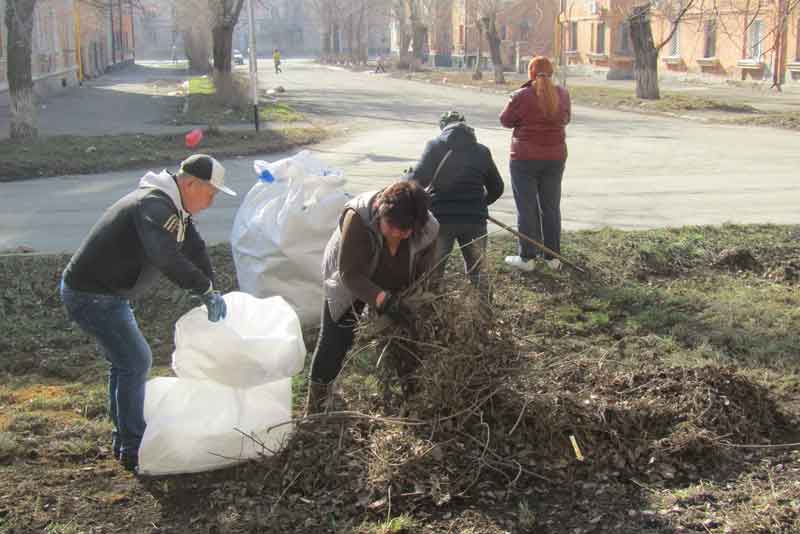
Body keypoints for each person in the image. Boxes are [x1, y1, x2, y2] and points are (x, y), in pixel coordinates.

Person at [59, 154, 236, 472]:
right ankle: (133, 446)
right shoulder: (154, 206)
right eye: (210, 194)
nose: (210, 203)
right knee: (136, 361)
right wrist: (202, 289)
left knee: (126, 363)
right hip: (91, 295)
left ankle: (125, 438)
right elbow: (165, 255)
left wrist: (211, 288)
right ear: (191, 184)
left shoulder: (175, 208)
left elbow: (194, 248)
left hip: (106, 293)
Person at [306, 181, 439, 414]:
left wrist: (410, 302)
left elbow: (423, 274)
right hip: (350, 278)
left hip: (395, 281)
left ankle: (413, 401)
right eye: (393, 227)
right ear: (380, 210)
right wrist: (383, 301)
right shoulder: (358, 217)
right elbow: (349, 274)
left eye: (407, 230)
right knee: (336, 338)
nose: (399, 234)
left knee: (406, 338)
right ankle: (316, 407)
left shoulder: (428, 228)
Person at [403, 111, 504, 300]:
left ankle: (431, 315)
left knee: (433, 273)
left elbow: (417, 181)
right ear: (466, 126)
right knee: (478, 272)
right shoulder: (482, 151)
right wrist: (479, 205)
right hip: (475, 221)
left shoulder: (434, 147)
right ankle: (485, 314)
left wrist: (405, 177)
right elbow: (497, 188)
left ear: (443, 128)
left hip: (441, 221)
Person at [499, 56, 571, 272]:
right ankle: (553, 257)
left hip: (524, 159)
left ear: (530, 74)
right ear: (552, 73)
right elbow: (566, 119)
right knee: (550, 207)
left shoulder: (522, 95)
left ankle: (527, 257)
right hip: (555, 157)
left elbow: (505, 120)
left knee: (526, 208)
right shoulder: (563, 94)